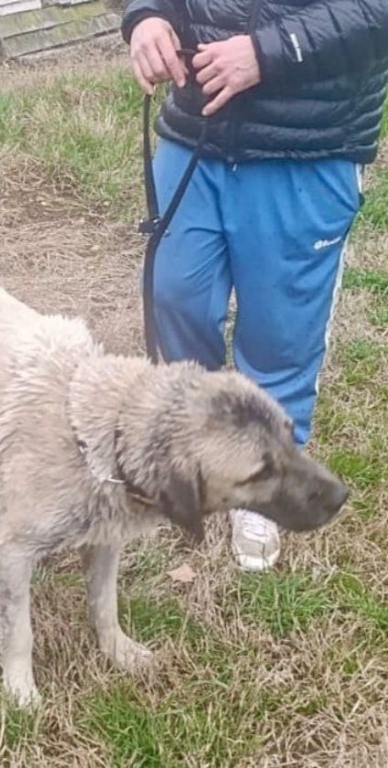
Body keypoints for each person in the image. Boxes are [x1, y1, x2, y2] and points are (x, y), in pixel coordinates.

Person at [120, 0, 388, 570]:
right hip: (195, 132)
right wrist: (144, 17)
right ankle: (193, 457)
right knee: (175, 296)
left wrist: (270, 52)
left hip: (308, 144)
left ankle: (268, 486)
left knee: (279, 332)